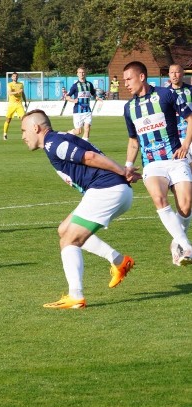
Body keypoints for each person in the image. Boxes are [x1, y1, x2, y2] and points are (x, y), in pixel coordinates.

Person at [20, 109, 137, 309]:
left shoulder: (52, 143)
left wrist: (122, 171)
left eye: (23, 131)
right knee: (64, 230)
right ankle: (119, 261)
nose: (22, 136)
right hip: (110, 190)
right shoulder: (58, 139)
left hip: (107, 190)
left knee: (69, 240)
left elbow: (89, 156)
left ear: (35, 128)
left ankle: (76, 295)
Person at [122, 60, 192, 266]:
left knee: (186, 207)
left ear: (141, 77)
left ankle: (176, 243)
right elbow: (133, 141)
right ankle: (186, 246)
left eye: (128, 79)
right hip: (152, 164)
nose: (125, 83)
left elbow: (190, 119)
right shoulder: (129, 108)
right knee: (159, 198)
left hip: (176, 159)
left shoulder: (165, 95)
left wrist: (186, 144)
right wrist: (128, 165)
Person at [167, 64, 192, 162]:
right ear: (169, 74)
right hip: (175, 137)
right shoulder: (164, 93)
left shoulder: (190, 90)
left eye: (177, 72)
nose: (174, 75)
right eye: (172, 72)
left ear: (182, 74)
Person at [65, 67, 96, 140]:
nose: (82, 74)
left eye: (83, 72)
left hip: (87, 110)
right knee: (78, 131)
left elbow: (93, 93)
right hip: (78, 111)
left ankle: (85, 146)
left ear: (85, 73)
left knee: (87, 128)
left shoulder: (89, 84)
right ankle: (68, 133)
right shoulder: (75, 86)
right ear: (77, 74)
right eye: (80, 72)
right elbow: (67, 96)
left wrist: (97, 97)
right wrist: (73, 100)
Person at [3, 72, 27, 140]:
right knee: (8, 120)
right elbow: (9, 93)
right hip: (11, 105)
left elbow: (23, 94)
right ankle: (5, 134)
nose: (15, 77)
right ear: (12, 77)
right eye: (14, 76)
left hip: (19, 104)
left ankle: (25, 134)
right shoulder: (9, 84)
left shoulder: (21, 84)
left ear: (18, 77)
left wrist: (25, 102)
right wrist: (17, 92)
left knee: (24, 119)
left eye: (16, 76)